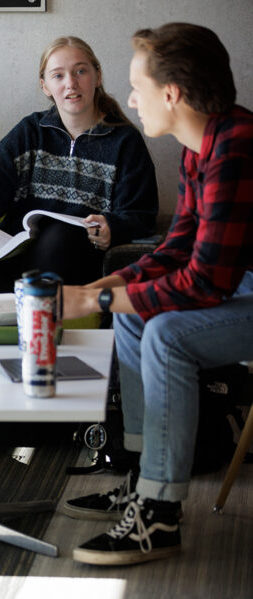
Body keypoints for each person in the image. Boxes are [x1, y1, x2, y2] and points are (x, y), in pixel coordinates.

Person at [59, 23, 253, 566]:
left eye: (137, 87)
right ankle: (144, 482)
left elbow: (206, 281)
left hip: (241, 286)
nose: (132, 99)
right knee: (135, 315)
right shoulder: (200, 147)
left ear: (172, 94)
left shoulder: (238, 148)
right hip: (242, 283)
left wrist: (90, 303)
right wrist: (111, 285)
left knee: (165, 330)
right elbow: (178, 247)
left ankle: (160, 514)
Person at [0, 36, 159, 300]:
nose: (71, 83)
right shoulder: (30, 131)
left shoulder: (125, 142)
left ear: (97, 76)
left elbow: (141, 215)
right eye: (58, 75)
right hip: (16, 254)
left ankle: (23, 300)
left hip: (73, 262)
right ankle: (27, 300)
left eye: (80, 71)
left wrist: (113, 227)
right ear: (45, 86)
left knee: (57, 238)